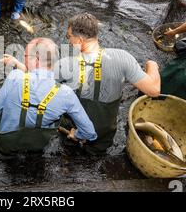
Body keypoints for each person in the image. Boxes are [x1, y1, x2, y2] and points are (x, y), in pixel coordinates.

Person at [59, 13, 161, 155]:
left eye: (69, 36)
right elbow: (154, 90)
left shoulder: (66, 63)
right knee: (96, 156)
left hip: (73, 127)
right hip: (103, 132)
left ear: (80, 39)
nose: (68, 41)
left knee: (68, 149)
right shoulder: (123, 58)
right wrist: (152, 65)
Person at [0, 38, 97, 159]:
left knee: (4, 163)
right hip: (37, 145)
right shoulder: (66, 93)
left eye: (25, 55)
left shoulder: (15, 77)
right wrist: (76, 135)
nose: (24, 59)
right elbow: (89, 133)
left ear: (35, 59)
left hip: (7, 144)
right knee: (34, 161)